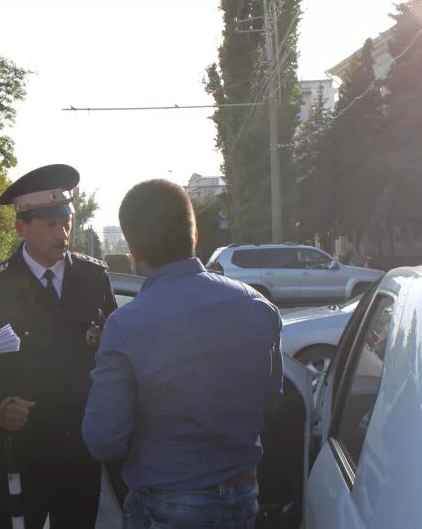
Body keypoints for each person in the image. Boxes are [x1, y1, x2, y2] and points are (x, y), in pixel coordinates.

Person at [82, 179, 283, 529]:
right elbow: (271, 399)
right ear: (195, 236)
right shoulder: (258, 306)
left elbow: (104, 438)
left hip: (167, 503)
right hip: (243, 495)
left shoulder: (127, 325)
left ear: (133, 249)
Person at [0, 164, 118, 529]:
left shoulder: (92, 277)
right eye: (50, 225)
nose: (63, 233)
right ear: (21, 225)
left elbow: (113, 351)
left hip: (81, 443)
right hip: (22, 443)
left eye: (67, 223)